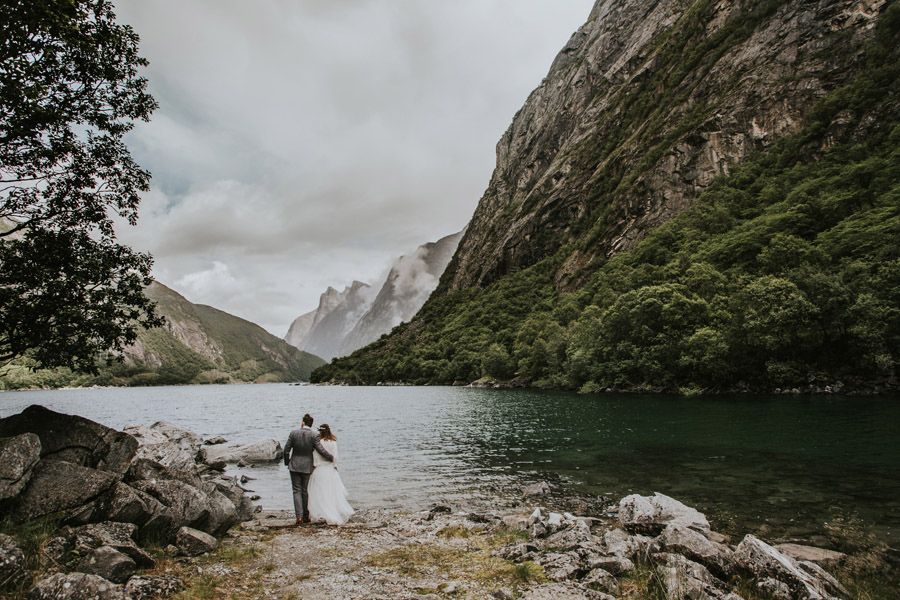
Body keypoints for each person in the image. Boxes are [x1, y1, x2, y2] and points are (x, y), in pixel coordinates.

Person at [283, 413, 333, 525]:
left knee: (296, 490)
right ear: (311, 424)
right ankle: (306, 516)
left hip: (294, 465)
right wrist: (330, 457)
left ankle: (299, 517)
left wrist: (287, 462)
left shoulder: (293, 433)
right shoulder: (314, 435)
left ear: (303, 423)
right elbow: (320, 450)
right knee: (305, 491)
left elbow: (286, 450)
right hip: (307, 466)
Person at [307, 423, 354, 525]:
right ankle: (332, 512)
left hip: (319, 469)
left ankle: (322, 513)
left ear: (320, 432)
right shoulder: (333, 443)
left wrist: (315, 466)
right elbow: (335, 457)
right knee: (331, 493)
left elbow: (315, 456)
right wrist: (335, 466)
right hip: (329, 469)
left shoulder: (318, 443)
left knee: (319, 493)